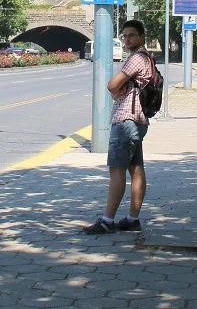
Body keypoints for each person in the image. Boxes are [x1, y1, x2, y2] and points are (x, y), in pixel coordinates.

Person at [83, 19, 154, 234]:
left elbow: (112, 84)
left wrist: (116, 91)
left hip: (125, 121)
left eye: (132, 35)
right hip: (138, 120)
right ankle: (132, 219)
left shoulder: (136, 58)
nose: (127, 39)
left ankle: (107, 220)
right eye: (125, 36)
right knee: (136, 169)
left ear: (142, 37)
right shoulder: (148, 58)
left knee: (117, 170)